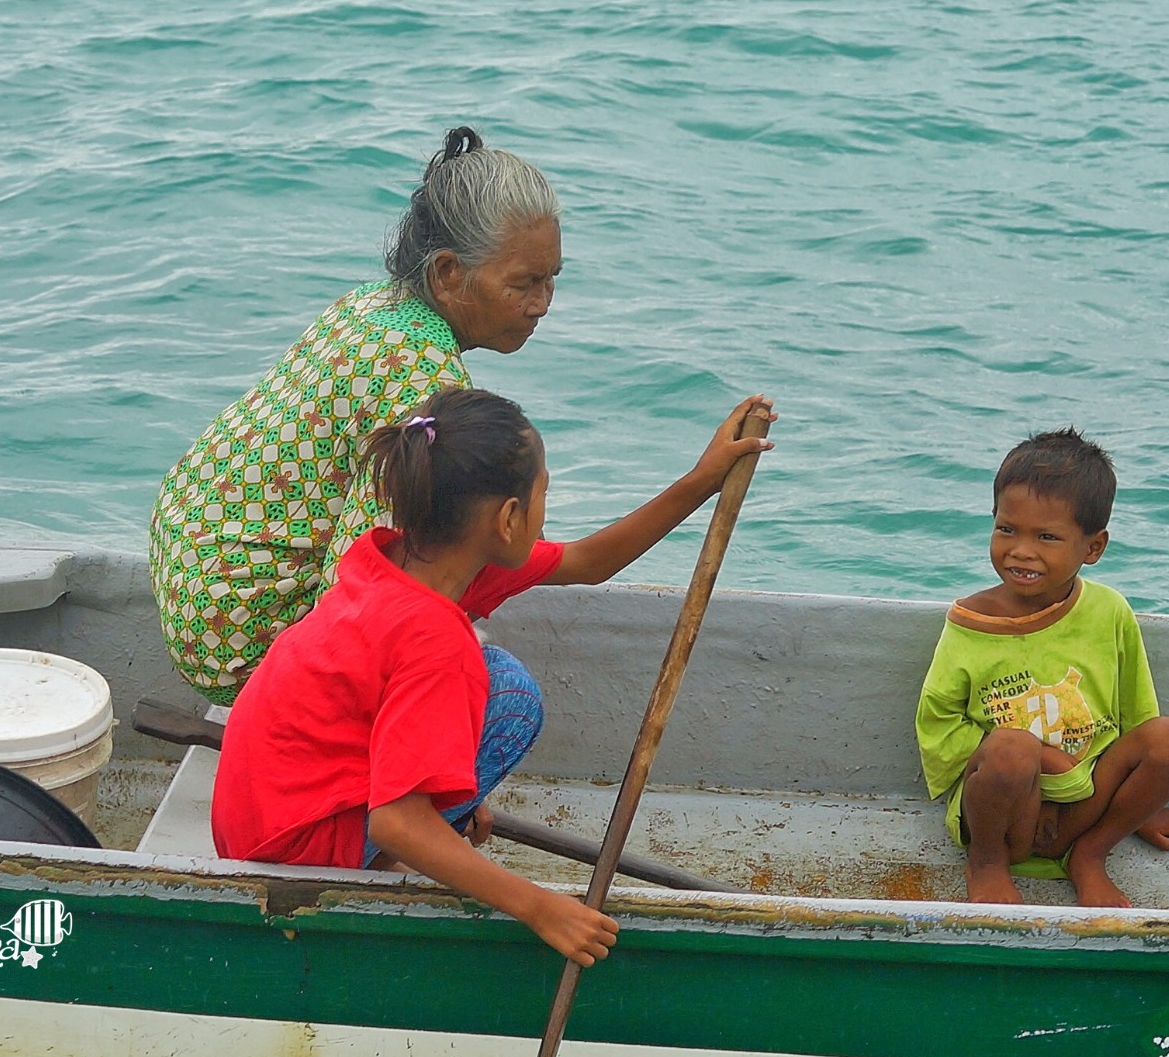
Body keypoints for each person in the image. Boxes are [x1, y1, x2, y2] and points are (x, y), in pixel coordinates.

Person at [211, 386, 774, 965]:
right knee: (507, 692)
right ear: (508, 518)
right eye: (542, 495)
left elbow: (589, 561)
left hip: (255, 820)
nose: (543, 510)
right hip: (290, 854)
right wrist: (538, 906)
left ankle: (431, 807)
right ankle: (376, 867)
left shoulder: (395, 557)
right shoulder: (434, 637)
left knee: (484, 683)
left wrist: (704, 479)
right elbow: (396, 823)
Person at [149, 126, 567, 705]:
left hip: (197, 584)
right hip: (243, 638)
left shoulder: (373, 304)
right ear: (448, 273)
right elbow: (363, 578)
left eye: (551, 280)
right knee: (497, 691)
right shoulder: (422, 380)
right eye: (524, 283)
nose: (542, 303)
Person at [914, 429, 1169, 908]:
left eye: (1046, 537)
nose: (1022, 550)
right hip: (1007, 810)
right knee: (1010, 747)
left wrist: (1138, 809)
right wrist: (1042, 759)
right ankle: (986, 864)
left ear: (1093, 547)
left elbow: (1137, 713)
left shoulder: (1109, 611)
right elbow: (938, 729)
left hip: (1086, 796)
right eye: (1007, 529)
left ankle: (1089, 855)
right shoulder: (971, 623)